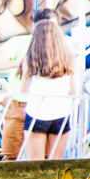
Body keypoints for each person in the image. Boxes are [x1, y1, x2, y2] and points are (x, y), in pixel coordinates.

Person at [19, 17, 77, 160]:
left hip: (36, 113)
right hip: (61, 114)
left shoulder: (30, 60)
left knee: (36, 164)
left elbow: (23, 91)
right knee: (56, 164)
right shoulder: (68, 59)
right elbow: (73, 91)